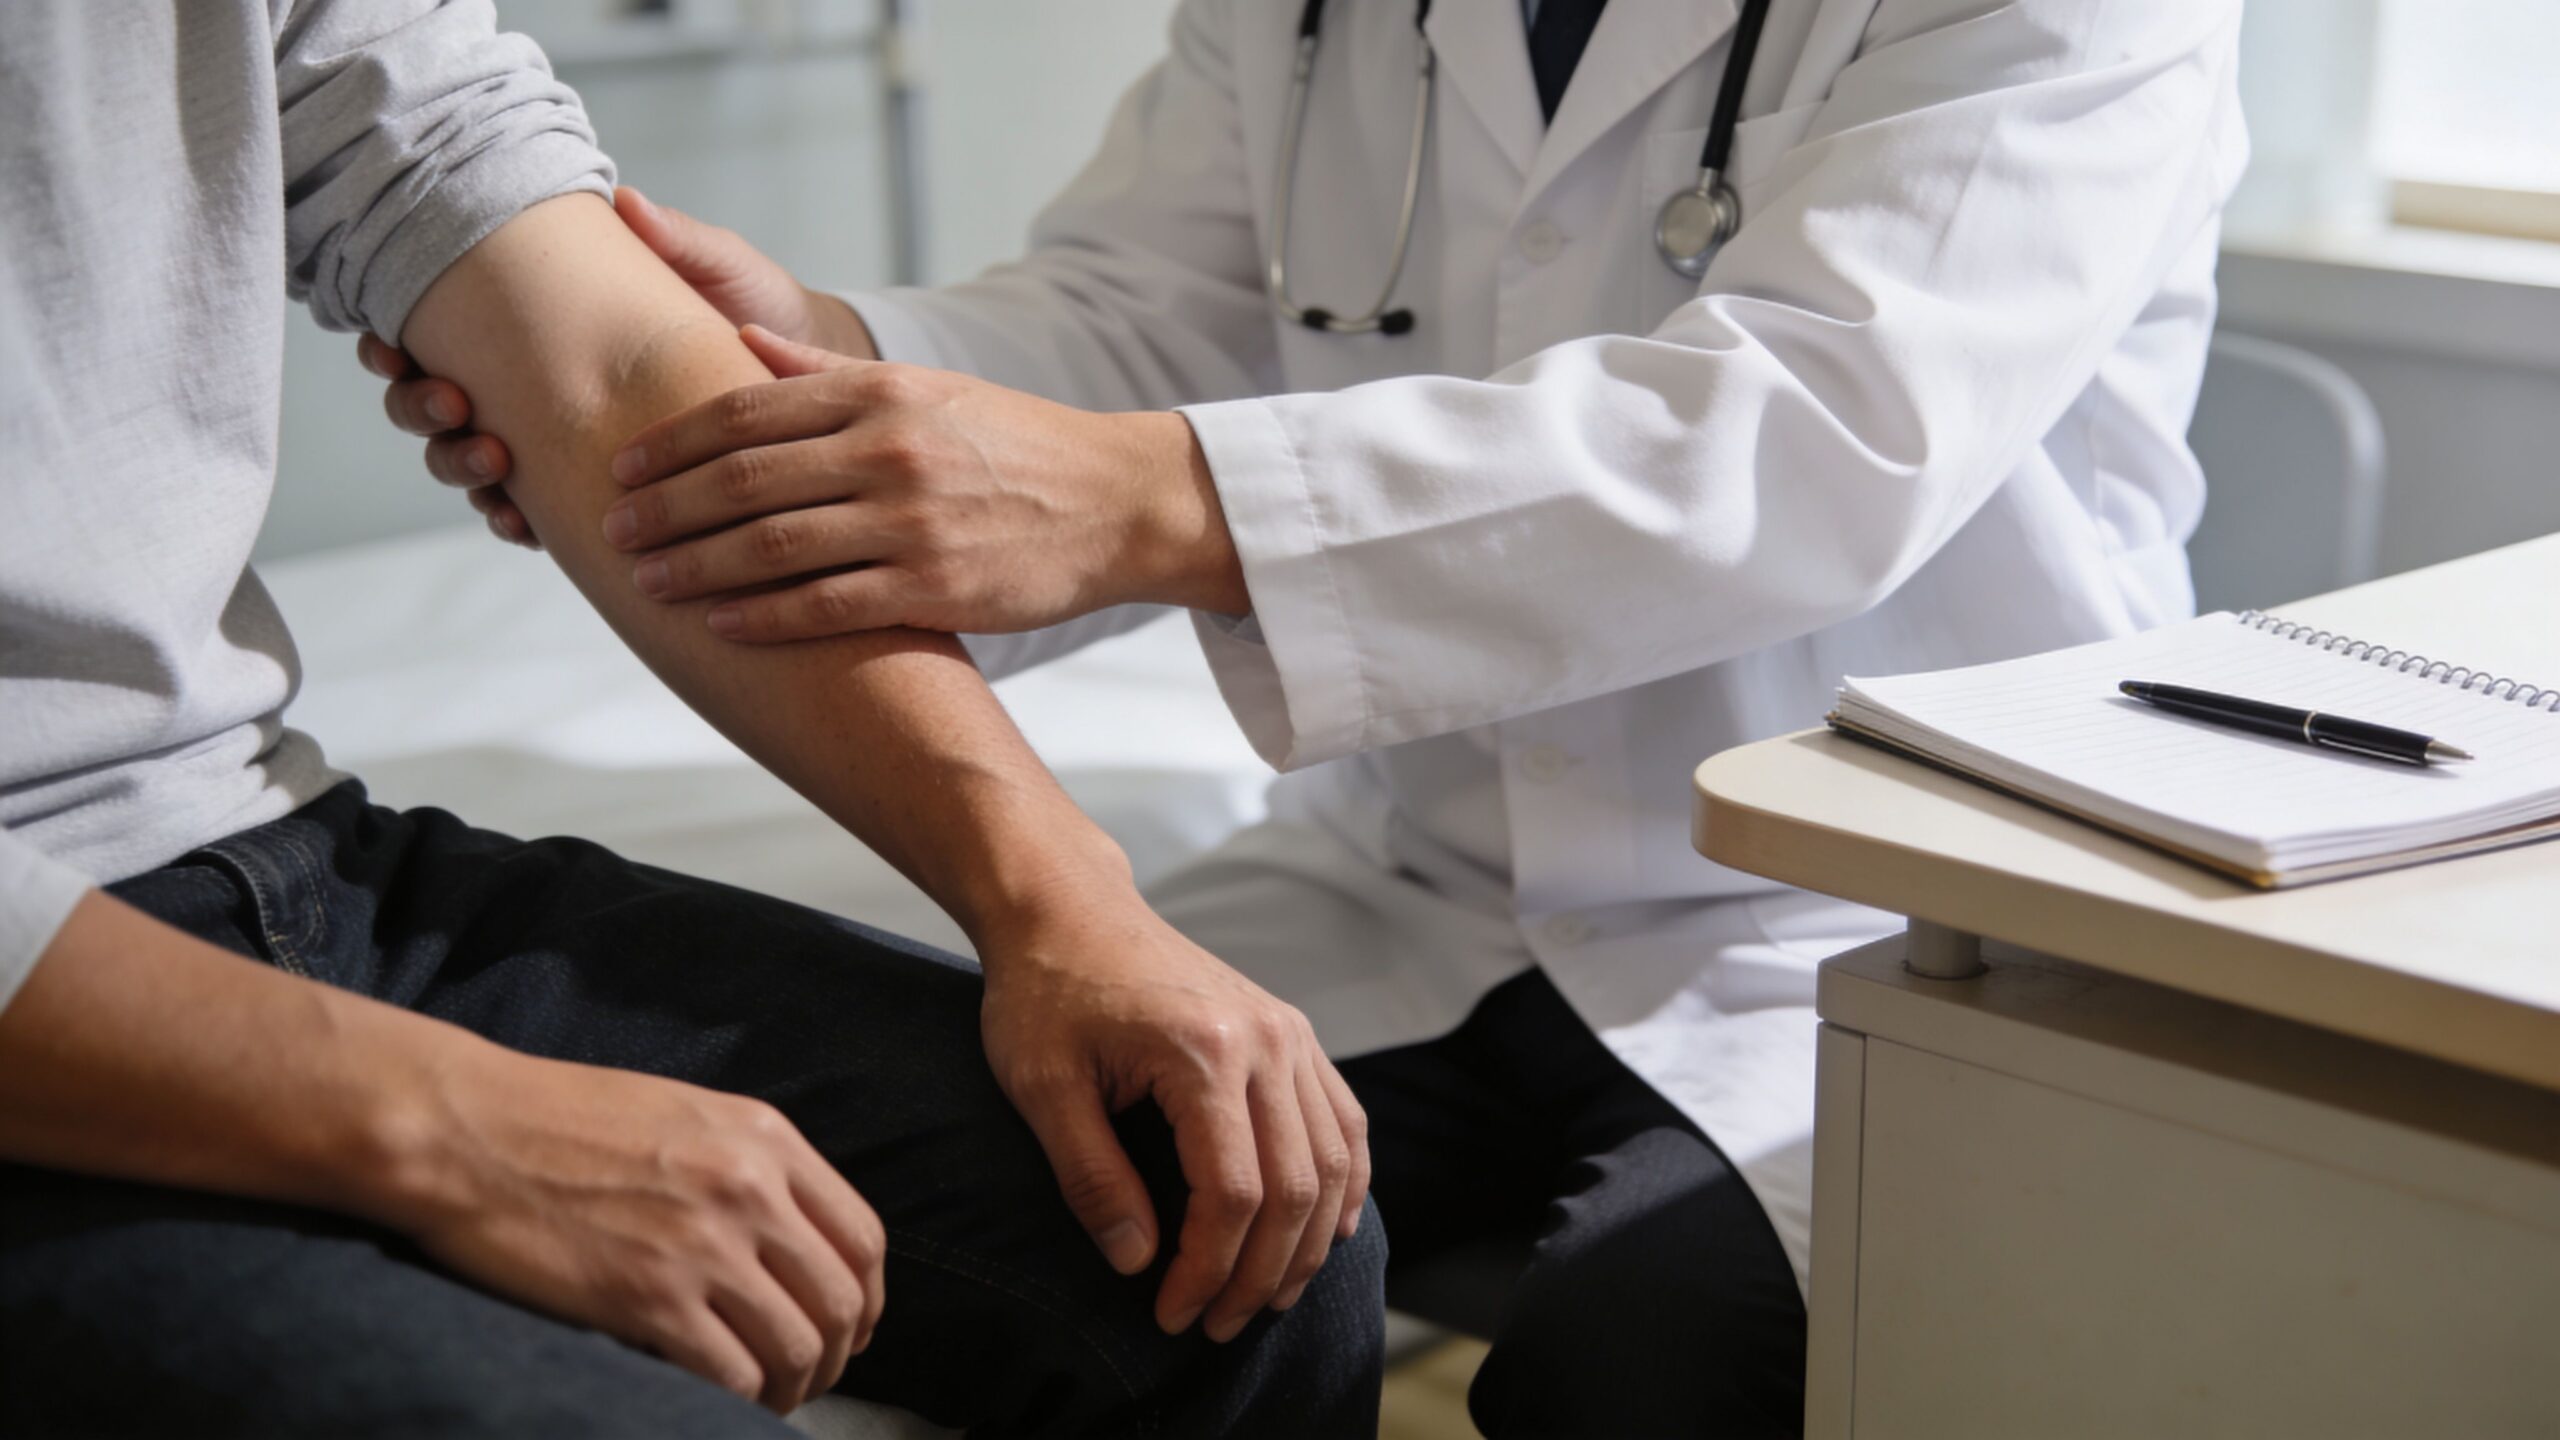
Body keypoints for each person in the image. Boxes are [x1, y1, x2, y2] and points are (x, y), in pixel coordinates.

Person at [387, 0, 2250, 1432]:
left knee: (1644, 1367)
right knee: (1109, 1231)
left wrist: (1142, 498)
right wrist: (825, 367)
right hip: (1419, 871)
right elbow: (1150, 310)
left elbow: (1828, 429)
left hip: (1874, 903)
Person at [0, 3, 1386, 1436]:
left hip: (245, 839)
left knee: (1230, 1231)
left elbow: (580, 337)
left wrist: (1063, 900)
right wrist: (455, 1123)